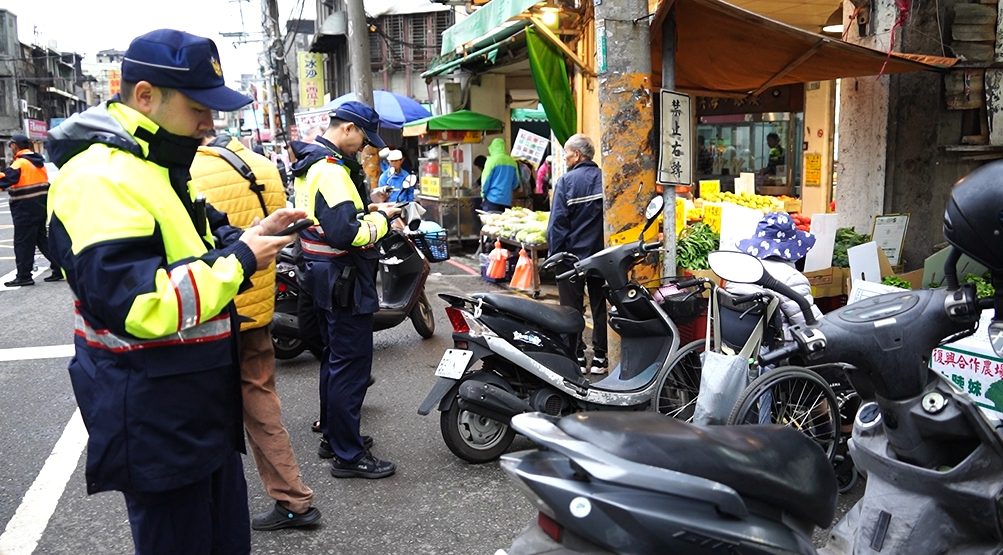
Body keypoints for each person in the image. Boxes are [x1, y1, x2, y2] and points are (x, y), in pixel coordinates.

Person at [44, 29, 306, 554]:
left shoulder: (158, 166)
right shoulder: (101, 177)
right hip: (155, 417)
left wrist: (254, 236)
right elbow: (141, 305)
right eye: (198, 107)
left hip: (197, 407)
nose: (210, 123)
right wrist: (242, 257)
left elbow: (209, 235)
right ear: (144, 96)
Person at [190, 131, 320, 530]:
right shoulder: (265, 167)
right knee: (261, 401)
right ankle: (293, 497)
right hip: (261, 302)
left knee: (203, 410)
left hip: (217, 304)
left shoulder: (191, 170)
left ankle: (205, 512)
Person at [294, 100, 402, 479]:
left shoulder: (310, 165)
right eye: (363, 140)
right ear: (348, 129)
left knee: (334, 362)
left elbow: (325, 221)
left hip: (320, 275)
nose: (364, 148)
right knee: (351, 367)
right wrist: (382, 221)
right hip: (343, 279)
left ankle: (334, 435)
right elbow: (346, 233)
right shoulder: (333, 172)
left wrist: (367, 209)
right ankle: (348, 455)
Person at [546, 133, 608, 375]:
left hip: (571, 258)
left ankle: (578, 356)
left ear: (577, 155)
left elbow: (557, 224)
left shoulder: (566, 182)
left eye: (567, 153)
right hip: (602, 256)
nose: (565, 157)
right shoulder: (605, 179)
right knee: (600, 306)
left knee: (571, 309)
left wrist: (554, 255)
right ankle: (601, 357)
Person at [726, 212, 822, 341]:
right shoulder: (792, 278)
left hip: (740, 341)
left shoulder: (740, 269)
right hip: (778, 348)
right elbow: (809, 323)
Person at [0, 134, 61, 286]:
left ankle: (24, 276)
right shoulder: (38, 162)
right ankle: (59, 267)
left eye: (12, 145)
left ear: (16, 145)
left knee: (23, 243)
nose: (11, 148)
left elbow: (5, 180)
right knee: (41, 240)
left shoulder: (20, 163)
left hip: (25, 209)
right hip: (39, 207)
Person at [480, 137, 520, 212]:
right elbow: (516, 183)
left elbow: (485, 180)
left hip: (492, 200)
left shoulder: (491, 161)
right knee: (504, 222)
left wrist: (483, 194)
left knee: (490, 222)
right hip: (507, 201)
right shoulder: (512, 162)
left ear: (492, 148)